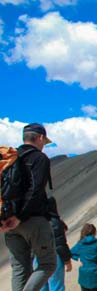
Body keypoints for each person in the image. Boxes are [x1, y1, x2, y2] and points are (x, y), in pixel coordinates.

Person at [1, 123, 57, 291]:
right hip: (32, 220)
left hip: (7, 223)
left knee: (19, 268)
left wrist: (8, 218)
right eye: (44, 142)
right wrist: (20, 217)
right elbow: (35, 190)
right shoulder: (39, 158)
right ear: (40, 138)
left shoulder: (10, 159)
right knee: (48, 264)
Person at [36, 197, 72, 291]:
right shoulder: (55, 223)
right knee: (56, 286)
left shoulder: (35, 223)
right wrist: (67, 260)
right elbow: (61, 244)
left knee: (41, 286)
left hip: (37, 257)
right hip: (53, 256)